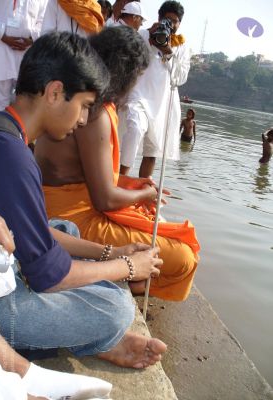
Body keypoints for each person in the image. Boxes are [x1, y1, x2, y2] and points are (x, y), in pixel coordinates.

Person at [0, 31, 166, 370]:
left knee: (64, 227)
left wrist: (113, 253)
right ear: (55, 92)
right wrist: (128, 267)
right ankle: (97, 338)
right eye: (85, 106)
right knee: (115, 307)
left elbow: (37, 234)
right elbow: (50, 278)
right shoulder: (12, 158)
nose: (81, 120)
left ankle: (89, 337)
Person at [35, 26, 200, 302]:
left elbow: (86, 174)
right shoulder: (93, 112)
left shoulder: (84, 100)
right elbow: (104, 198)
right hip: (69, 222)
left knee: (153, 222)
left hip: (68, 207)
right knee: (183, 255)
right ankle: (127, 279)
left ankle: (126, 276)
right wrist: (145, 193)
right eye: (136, 77)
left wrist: (134, 184)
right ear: (125, 74)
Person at [0, 198, 113, 400]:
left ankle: (20, 372)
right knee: (115, 310)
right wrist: (123, 262)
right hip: (0, 299)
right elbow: (106, 198)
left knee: (66, 229)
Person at [119, 0, 190, 178]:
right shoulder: (143, 34)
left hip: (163, 103)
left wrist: (168, 52)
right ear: (159, 19)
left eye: (174, 21)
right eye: (167, 20)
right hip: (139, 94)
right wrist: (148, 36)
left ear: (179, 24)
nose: (170, 25)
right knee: (134, 129)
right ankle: (121, 179)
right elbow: (127, 56)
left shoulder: (182, 46)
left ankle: (143, 188)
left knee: (152, 150)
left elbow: (180, 78)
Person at [0, 0, 48, 111]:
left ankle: (20, 128)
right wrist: (3, 35)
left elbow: (45, 19)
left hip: (27, 53)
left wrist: (32, 38)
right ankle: (0, 127)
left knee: (27, 102)